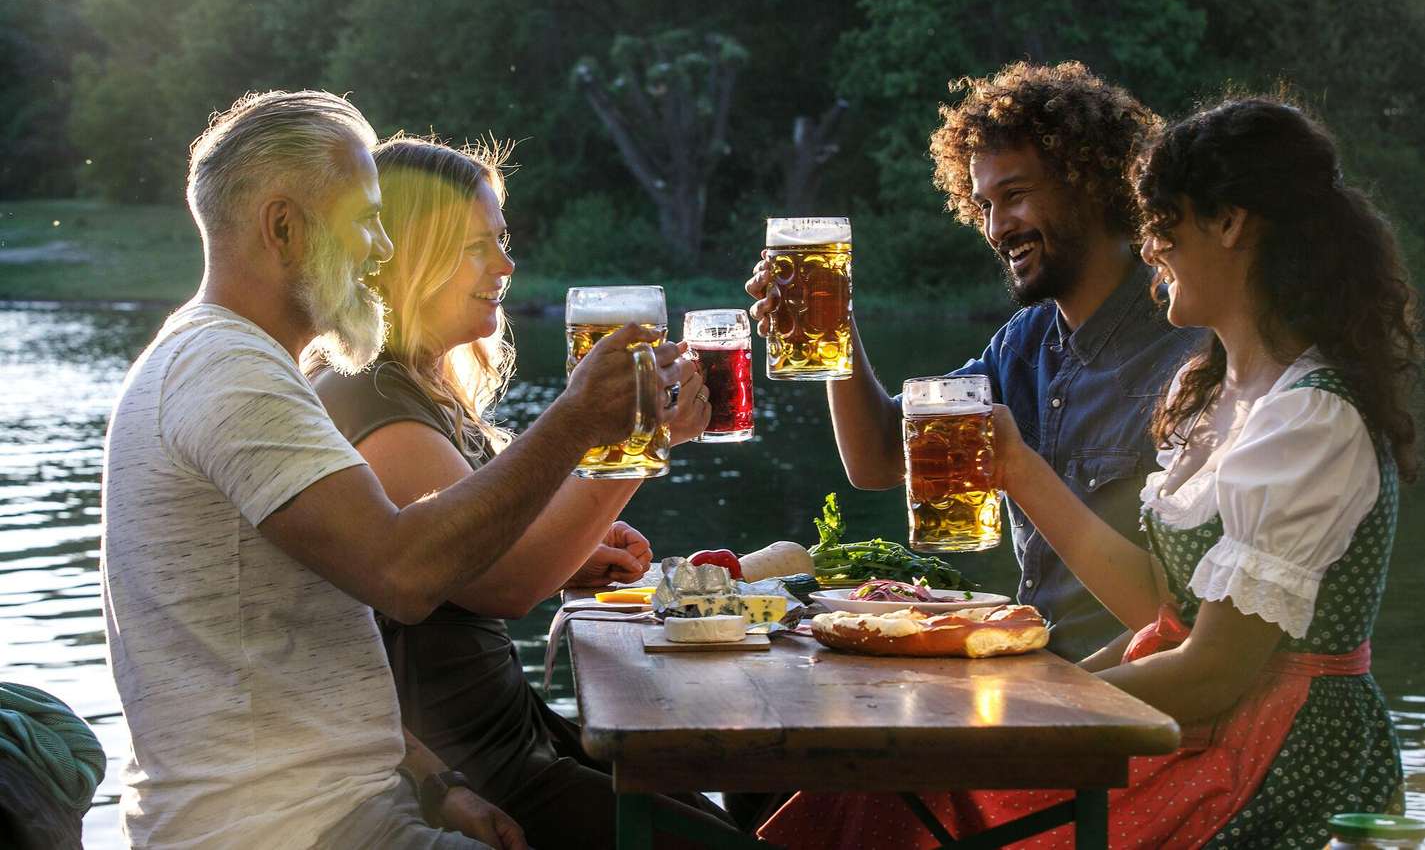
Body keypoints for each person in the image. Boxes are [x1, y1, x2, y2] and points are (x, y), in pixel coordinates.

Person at [760, 97, 1413, 847]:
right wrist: (1015, 474)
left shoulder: (1304, 419)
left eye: (1164, 221)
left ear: (1230, 224)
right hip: (1159, 717)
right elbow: (1162, 613)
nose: (1151, 243)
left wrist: (1014, 713)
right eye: (983, 203)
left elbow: (1211, 673)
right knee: (865, 790)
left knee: (903, 796)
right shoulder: (1200, 388)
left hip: (1263, 760)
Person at [100, 90, 694, 850]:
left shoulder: (234, 362)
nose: (382, 250)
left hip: (349, 806)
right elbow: (406, 574)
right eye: (366, 220)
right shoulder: (228, 373)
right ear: (283, 228)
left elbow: (325, 644)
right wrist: (579, 418)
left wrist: (437, 782)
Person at [309, 134, 740, 849]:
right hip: (473, 769)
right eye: (477, 247)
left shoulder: (421, 386)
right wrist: (644, 444)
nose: (506, 266)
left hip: (516, 734)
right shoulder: (368, 394)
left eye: (502, 242)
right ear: (405, 256)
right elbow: (507, 584)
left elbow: (490, 553)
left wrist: (572, 552)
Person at [747, 61, 1198, 662]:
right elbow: (877, 459)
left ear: (1091, 183)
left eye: (1014, 196)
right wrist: (833, 318)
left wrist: (1068, 696)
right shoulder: (1024, 342)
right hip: (1032, 667)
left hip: (1122, 691)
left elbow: (1189, 621)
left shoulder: (1188, 348)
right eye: (982, 204)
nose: (996, 227)